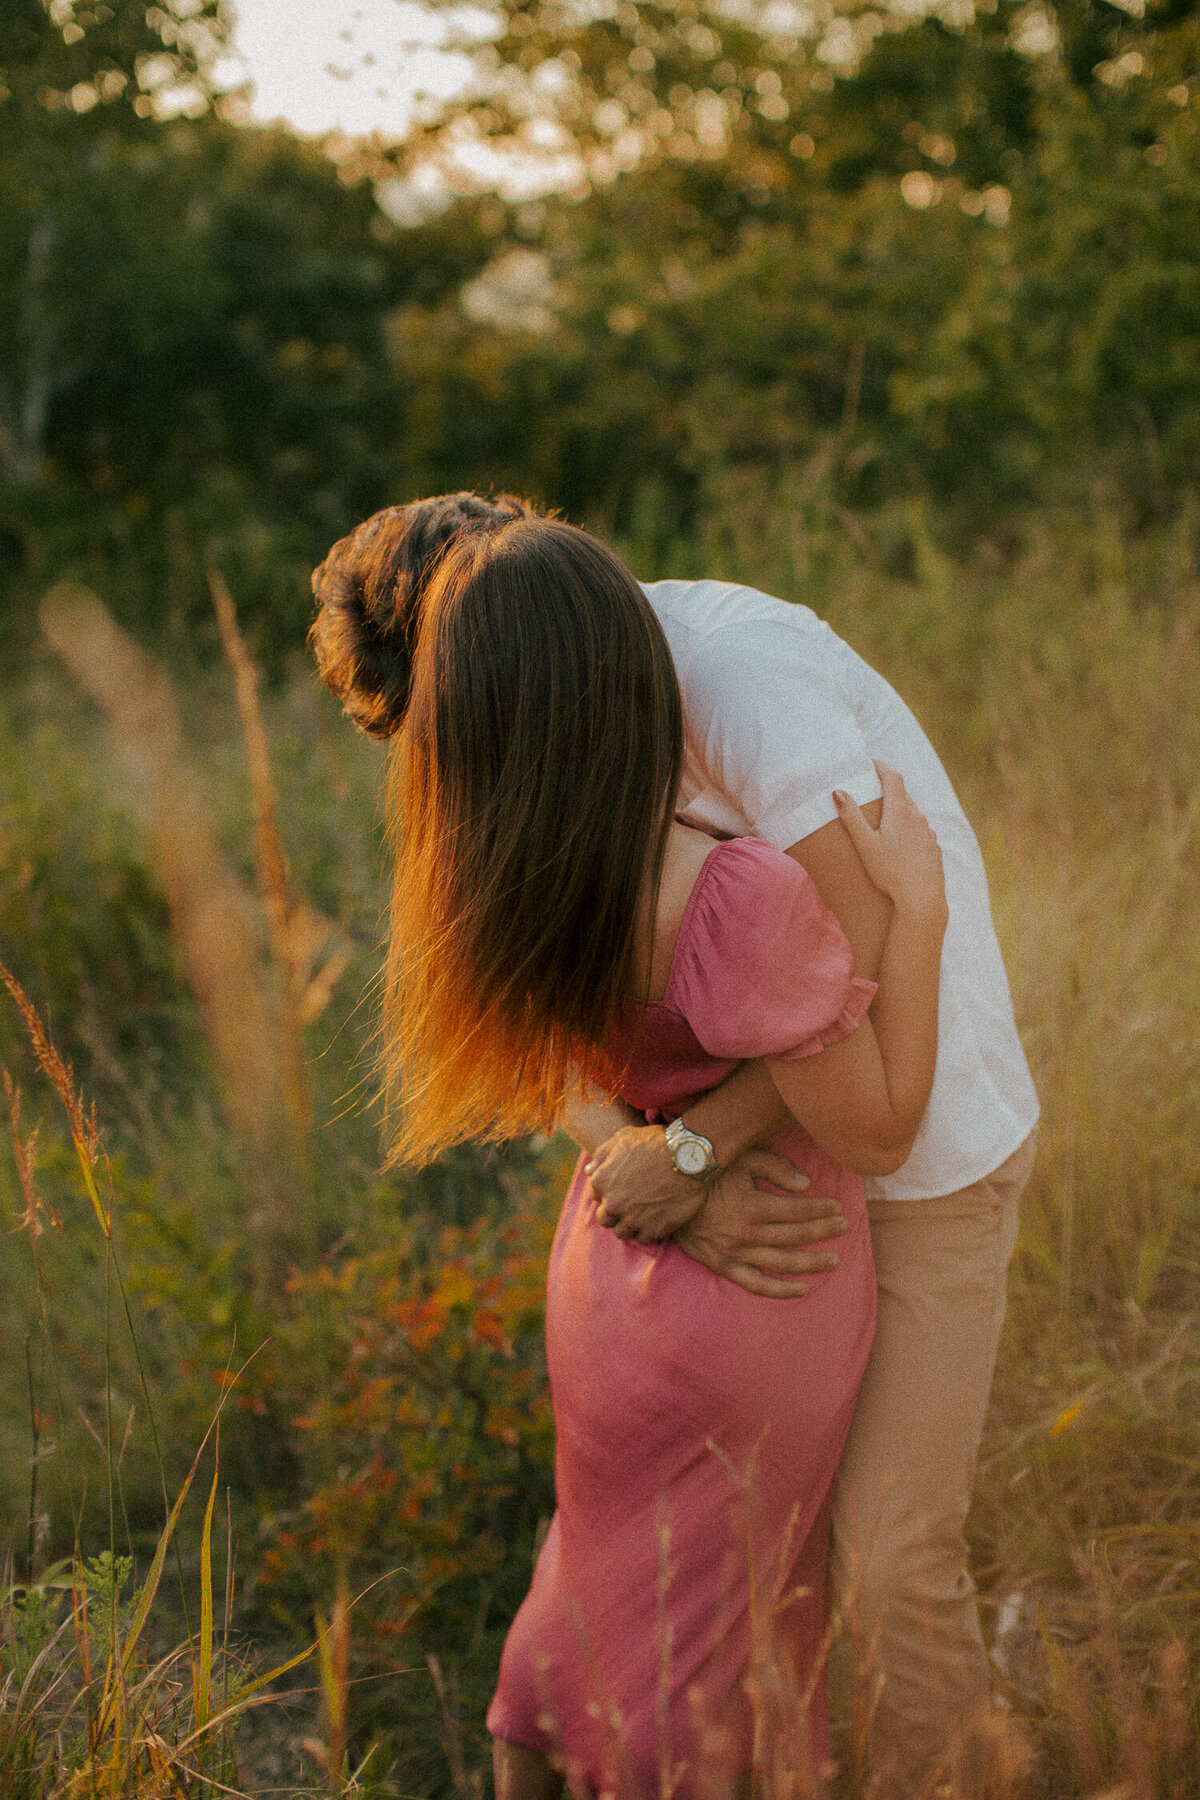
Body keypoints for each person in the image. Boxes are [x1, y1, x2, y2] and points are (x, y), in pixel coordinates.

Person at [310, 492, 1039, 1791]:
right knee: (746, 1581)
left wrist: (688, 1155)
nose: (453, 760)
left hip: (918, 1155)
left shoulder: (737, 681)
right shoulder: (549, 731)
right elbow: (525, 1009)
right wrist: (634, 1151)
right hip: (735, 1183)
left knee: (884, 1558)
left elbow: (856, 967)